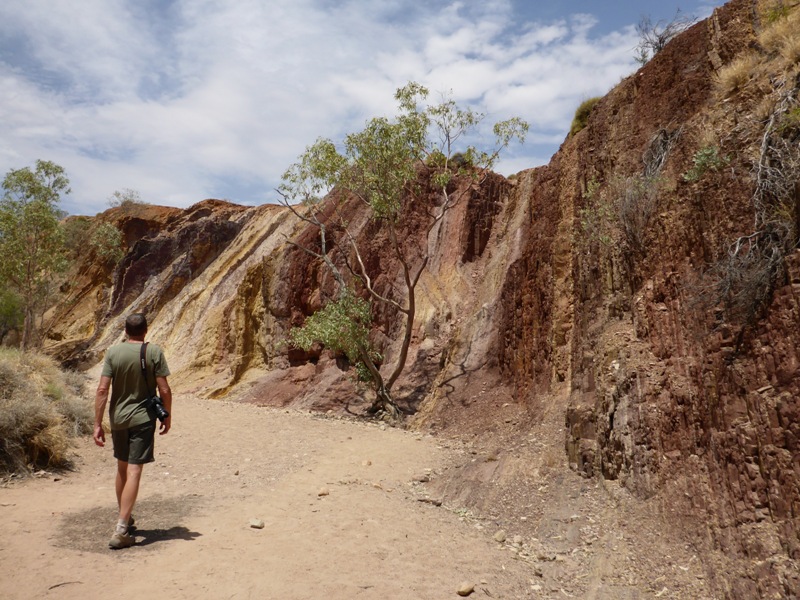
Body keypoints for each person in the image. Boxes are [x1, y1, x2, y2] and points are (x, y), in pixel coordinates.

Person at [93, 313, 172, 549]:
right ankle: (121, 529)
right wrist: (167, 416)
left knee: (122, 466)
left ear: (125, 331)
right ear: (146, 330)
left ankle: (124, 515)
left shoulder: (113, 353)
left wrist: (97, 423)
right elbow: (165, 390)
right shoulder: (154, 352)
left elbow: (101, 390)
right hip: (142, 419)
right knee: (135, 470)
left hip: (117, 419)